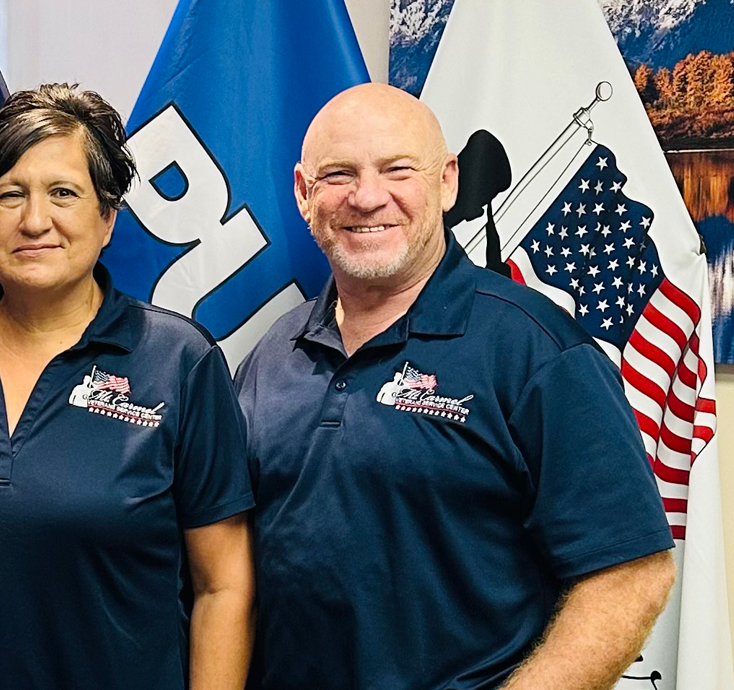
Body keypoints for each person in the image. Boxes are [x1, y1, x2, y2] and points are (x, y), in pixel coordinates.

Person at [233, 83, 676, 690]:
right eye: (339, 175)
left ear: (446, 182)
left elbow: (632, 574)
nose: (367, 197)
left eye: (397, 170)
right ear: (305, 193)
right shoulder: (269, 358)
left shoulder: (536, 350)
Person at [0, 84, 254, 690]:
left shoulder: (180, 362)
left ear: (107, 219)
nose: (34, 221)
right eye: (8, 194)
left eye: (63, 194)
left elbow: (223, 586)